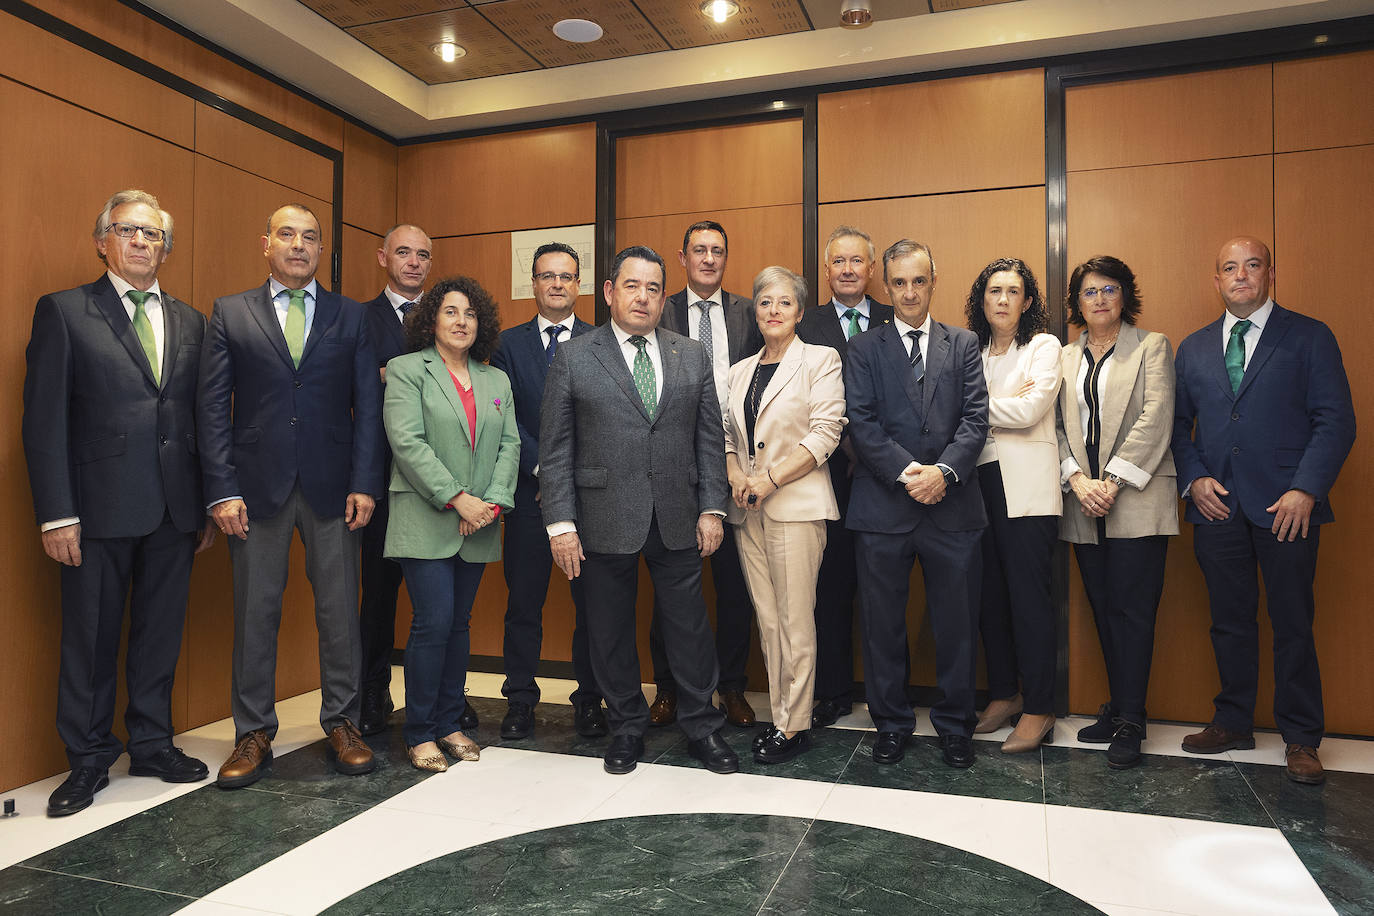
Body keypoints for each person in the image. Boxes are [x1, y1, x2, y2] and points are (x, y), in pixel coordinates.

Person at [22, 189, 215, 817]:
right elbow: (42, 422)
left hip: (175, 509)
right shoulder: (64, 311)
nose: (141, 242)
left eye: (153, 234)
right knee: (91, 636)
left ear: (166, 247)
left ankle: (153, 744)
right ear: (102, 239)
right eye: (128, 230)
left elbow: (201, 419)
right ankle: (87, 759)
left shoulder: (190, 321)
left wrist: (209, 501)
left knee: (160, 634)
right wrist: (57, 512)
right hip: (95, 508)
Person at [199, 203, 384, 788]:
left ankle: (343, 722)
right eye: (287, 235)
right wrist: (222, 490)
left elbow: (368, 409)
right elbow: (212, 409)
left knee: (339, 615)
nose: (299, 245)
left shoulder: (350, 317)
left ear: (320, 249)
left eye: (310, 238)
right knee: (257, 613)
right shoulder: (231, 312)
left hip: (335, 488)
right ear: (266, 243)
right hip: (254, 490)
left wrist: (364, 481)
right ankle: (253, 733)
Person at [540, 245, 739, 776]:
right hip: (602, 516)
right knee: (608, 629)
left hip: (679, 514)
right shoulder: (575, 356)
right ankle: (627, 725)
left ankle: (703, 726)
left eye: (653, 288)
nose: (643, 297)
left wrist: (712, 509)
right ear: (609, 291)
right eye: (632, 285)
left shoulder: (689, 354)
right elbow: (556, 448)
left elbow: (707, 438)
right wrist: (561, 524)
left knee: (690, 629)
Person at [1172, 237, 1355, 785]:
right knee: (1228, 622)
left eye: (1252, 265)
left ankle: (1301, 737)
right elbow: (1180, 429)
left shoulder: (1309, 336)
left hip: (1287, 508)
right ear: (1216, 279)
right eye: (1230, 267)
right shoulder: (1194, 347)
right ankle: (1232, 721)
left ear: (1270, 273)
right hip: (1217, 507)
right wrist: (1194, 478)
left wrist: (1307, 489)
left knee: (1293, 623)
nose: (1241, 276)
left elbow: (1335, 421)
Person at [844, 239, 988, 769]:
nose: (909, 292)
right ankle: (891, 723)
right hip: (884, 508)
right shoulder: (862, 349)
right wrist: (911, 474)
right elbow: (861, 422)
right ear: (886, 286)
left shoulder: (965, 343)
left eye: (918, 281)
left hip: (953, 507)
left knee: (956, 623)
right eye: (899, 282)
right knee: (883, 624)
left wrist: (944, 473)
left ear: (933, 280)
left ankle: (955, 725)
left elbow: (977, 418)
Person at [383, 276, 518, 771]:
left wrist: (491, 503)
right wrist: (458, 499)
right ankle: (419, 731)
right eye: (450, 312)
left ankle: (448, 722)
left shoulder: (495, 379)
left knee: (459, 625)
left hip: (481, 519)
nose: (461, 322)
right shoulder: (405, 370)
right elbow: (407, 442)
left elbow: (510, 446)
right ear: (432, 319)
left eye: (470, 314)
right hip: (425, 517)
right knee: (432, 622)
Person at [1055, 256, 1177, 770]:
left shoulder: (1152, 346)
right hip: (1083, 500)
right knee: (1104, 608)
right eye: (1089, 292)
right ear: (1077, 303)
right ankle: (1117, 706)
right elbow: (1055, 425)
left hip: (1137, 498)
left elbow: (1156, 417)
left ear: (1125, 295)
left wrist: (1113, 480)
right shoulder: (1063, 356)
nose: (1100, 299)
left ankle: (1133, 719)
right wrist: (1077, 480)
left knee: (1134, 612)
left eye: (1109, 289)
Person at [724, 267, 845, 764]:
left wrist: (769, 481)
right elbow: (727, 437)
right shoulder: (739, 370)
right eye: (765, 303)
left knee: (796, 620)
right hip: (746, 509)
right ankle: (780, 716)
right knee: (768, 620)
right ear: (756, 312)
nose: (774, 311)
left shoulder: (821, 360)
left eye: (784, 303)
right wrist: (736, 478)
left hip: (795, 505)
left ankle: (794, 726)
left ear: (799, 312)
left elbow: (826, 432)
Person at [489, 242, 606, 741]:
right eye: (546, 276)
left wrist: (567, 477)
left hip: (588, 499)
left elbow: (604, 421)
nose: (556, 284)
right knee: (524, 605)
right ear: (533, 284)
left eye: (565, 276)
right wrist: (544, 472)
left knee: (594, 606)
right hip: (528, 495)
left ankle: (590, 700)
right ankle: (519, 699)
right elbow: (505, 416)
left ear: (578, 284)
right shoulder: (506, 345)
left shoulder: (602, 342)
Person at [653, 220, 762, 728]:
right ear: (683, 257)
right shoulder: (660, 307)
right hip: (674, 460)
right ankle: (670, 689)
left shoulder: (750, 313)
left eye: (718, 250)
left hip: (738, 463)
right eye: (699, 250)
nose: (709, 259)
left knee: (734, 586)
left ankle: (733, 687)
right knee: (672, 582)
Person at [795, 225, 894, 728]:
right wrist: (845, 444)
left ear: (872, 269)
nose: (849, 270)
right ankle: (831, 691)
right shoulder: (804, 324)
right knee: (829, 588)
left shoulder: (894, 317)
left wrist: (874, 451)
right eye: (839, 262)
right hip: (823, 475)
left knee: (882, 591)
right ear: (827, 269)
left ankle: (885, 697)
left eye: (858, 261)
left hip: (886, 480)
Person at [964, 258, 1063, 754]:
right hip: (975, 482)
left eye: (1013, 291)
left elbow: (1029, 411)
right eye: (994, 291)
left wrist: (972, 407)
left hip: (1026, 490)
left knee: (1028, 600)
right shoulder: (970, 350)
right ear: (982, 301)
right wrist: (992, 406)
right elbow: (990, 411)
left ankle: (1040, 707)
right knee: (989, 597)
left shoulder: (1045, 347)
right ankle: (1004, 692)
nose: (1003, 300)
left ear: (1027, 301)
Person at [358, 223, 435, 737]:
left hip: (441, 480)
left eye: (422, 255)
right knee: (379, 597)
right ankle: (372, 696)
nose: (412, 261)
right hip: (380, 479)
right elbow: (354, 386)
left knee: (438, 600)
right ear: (383, 257)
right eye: (403, 252)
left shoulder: (449, 315)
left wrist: (393, 372)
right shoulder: (358, 318)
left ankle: (439, 696)